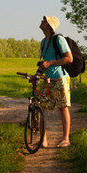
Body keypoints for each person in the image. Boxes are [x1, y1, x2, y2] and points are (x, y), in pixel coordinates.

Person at [36, 15, 73, 148]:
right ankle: (43, 140)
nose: (41, 21)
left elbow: (69, 58)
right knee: (40, 107)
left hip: (60, 78)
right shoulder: (43, 42)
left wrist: (51, 62)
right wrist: (38, 73)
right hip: (47, 79)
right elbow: (45, 63)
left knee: (63, 108)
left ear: (49, 26)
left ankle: (66, 139)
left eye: (44, 20)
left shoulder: (59, 39)